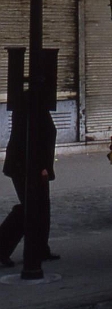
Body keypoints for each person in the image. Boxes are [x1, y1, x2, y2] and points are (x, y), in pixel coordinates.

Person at [0, 107, 58, 267]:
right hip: (27, 167)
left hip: (33, 167)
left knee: (41, 207)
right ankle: (3, 247)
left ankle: (40, 248)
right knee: (30, 208)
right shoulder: (30, 105)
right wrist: (43, 166)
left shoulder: (38, 104)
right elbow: (31, 139)